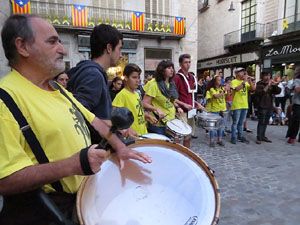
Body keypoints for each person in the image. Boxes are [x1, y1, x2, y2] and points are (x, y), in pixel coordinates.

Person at [0, 15, 151, 224]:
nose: (62, 49)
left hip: (80, 201)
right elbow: (5, 180)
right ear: (22, 47)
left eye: (60, 42)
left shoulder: (57, 89)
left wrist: (121, 147)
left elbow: (95, 121)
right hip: (45, 212)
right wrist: (72, 165)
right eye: (52, 42)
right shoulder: (5, 99)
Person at [67, 24, 122, 122]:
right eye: (119, 49)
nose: (121, 55)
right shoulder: (94, 75)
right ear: (109, 48)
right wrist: (109, 127)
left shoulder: (91, 72)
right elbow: (78, 115)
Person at [142, 59, 184, 137]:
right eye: (168, 68)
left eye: (172, 68)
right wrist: (156, 109)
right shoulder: (154, 84)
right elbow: (144, 103)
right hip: (158, 124)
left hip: (171, 122)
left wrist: (178, 107)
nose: (172, 70)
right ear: (162, 70)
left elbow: (170, 100)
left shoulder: (171, 84)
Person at [112, 64, 157, 136]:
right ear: (126, 78)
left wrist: (148, 116)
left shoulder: (136, 94)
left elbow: (137, 113)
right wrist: (127, 129)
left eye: (139, 78)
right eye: (134, 77)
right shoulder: (122, 95)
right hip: (133, 138)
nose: (137, 81)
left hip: (143, 134)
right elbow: (114, 118)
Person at [174, 54, 205, 147]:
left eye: (189, 62)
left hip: (191, 111)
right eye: (185, 62)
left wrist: (196, 104)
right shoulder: (177, 78)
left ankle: (187, 154)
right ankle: (177, 155)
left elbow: (189, 96)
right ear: (180, 64)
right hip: (181, 111)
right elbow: (172, 98)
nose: (188, 64)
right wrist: (181, 105)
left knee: (188, 136)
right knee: (179, 136)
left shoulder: (191, 77)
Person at [230, 67, 255, 144]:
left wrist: (250, 80)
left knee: (241, 122)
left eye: (244, 72)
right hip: (237, 105)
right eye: (241, 72)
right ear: (237, 73)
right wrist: (244, 81)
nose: (243, 73)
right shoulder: (234, 81)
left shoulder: (246, 82)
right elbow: (236, 89)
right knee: (235, 122)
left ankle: (240, 136)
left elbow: (253, 89)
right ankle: (233, 137)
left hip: (245, 105)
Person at [254, 71, 281, 144]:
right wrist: (268, 85)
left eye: (269, 75)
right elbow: (260, 93)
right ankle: (259, 137)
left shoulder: (271, 84)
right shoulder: (259, 84)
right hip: (262, 105)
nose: (268, 77)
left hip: (269, 105)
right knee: (261, 122)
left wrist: (275, 85)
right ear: (262, 76)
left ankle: (263, 136)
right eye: (266, 76)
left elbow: (278, 91)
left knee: (266, 122)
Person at [206, 75, 230, 147]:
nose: (220, 82)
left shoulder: (222, 88)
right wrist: (224, 91)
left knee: (221, 126)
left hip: (222, 108)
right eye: (218, 80)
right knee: (213, 126)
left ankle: (219, 140)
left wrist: (228, 90)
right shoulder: (212, 89)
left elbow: (227, 96)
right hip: (215, 109)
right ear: (215, 81)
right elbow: (216, 96)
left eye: (221, 80)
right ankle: (212, 140)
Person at [286, 69, 300, 144]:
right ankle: (292, 136)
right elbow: (297, 89)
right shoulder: (297, 80)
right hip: (297, 103)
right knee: (296, 121)